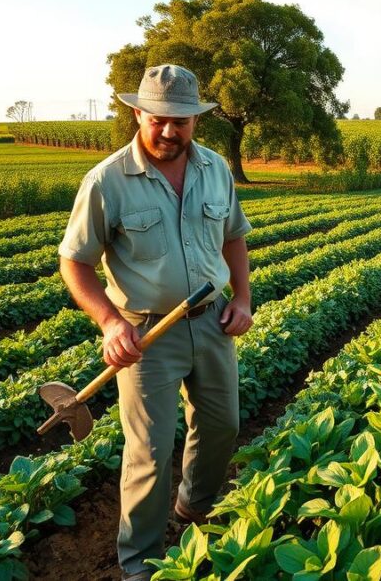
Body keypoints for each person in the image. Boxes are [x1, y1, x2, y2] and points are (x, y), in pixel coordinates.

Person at [58, 64, 253, 581]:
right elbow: (74, 261)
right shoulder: (107, 180)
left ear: (196, 121)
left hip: (212, 322)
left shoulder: (214, 169)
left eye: (181, 121)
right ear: (138, 114)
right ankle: (140, 562)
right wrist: (109, 323)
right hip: (146, 334)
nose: (169, 131)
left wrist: (243, 298)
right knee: (148, 449)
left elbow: (234, 236)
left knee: (221, 425)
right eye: (158, 119)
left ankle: (194, 507)